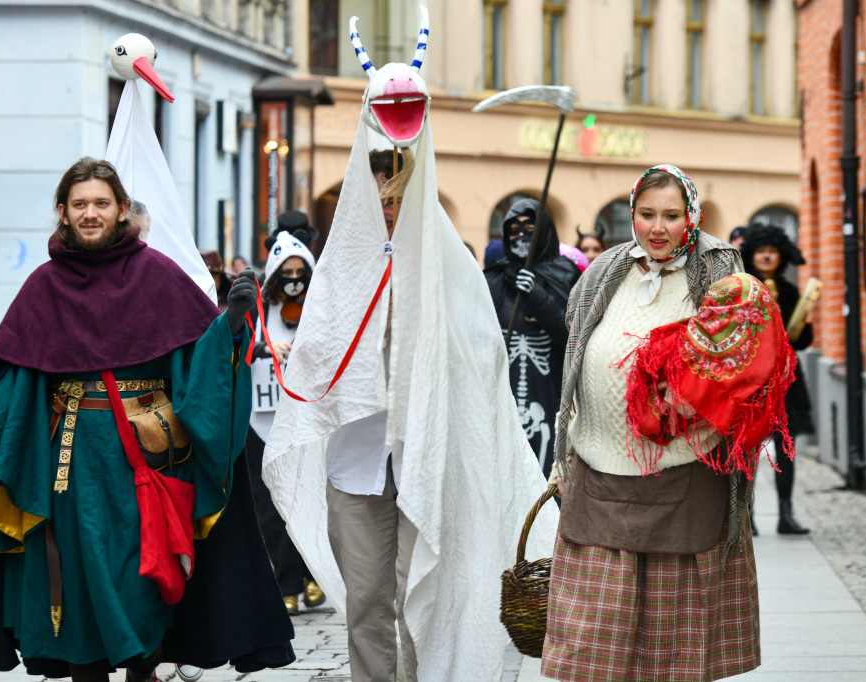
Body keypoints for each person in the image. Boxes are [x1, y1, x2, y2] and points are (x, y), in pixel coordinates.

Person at [262, 14, 556, 679]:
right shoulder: (339, 273)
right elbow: (313, 362)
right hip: (359, 464)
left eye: (401, 197)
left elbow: (479, 367)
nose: (390, 210)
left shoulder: (451, 272)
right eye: (380, 199)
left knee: (428, 593)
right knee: (368, 602)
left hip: (432, 460)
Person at [0, 157, 294, 681]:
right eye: (80, 204)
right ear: (62, 213)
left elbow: (199, 368)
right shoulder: (43, 287)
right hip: (68, 473)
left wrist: (231, 327)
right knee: (80, 588)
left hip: (147, 468)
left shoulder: (158, 276)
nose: (91, 213)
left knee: (142, 585)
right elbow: (13, 385)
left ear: (121, 212)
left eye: (102, 204)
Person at [543, 164, 775, 681]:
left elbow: (740, 358)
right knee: (593, 645)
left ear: (691, 216)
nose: (658, 227)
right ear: (632, 214)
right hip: (600, 473)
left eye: (672, 215)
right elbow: (576, 344)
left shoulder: (717, 273)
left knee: (673, 651)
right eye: (646, 214)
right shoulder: (605, 269)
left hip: (683, 476)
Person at [245, 228, 326, 615]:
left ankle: (310, 575)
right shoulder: (256, 309)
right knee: (270, 508)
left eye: (301, 274)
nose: (294, 282)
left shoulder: (319, 308)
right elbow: (233, 345)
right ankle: (287, 580)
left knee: (306, 500)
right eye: (287, 274)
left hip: (304, 420)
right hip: (260, 423)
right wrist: (263, 347)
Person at [484, 198, 581, 476]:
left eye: (529, 227)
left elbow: (574, 337)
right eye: (513, 229)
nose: (521, 235)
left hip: (550, 390)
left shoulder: (564, 275)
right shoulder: (494, 279)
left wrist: (539, 297)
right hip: (502, 391)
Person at [740, 224, 814, 534]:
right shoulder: (742, 290)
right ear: (751, 255)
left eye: (772, 250)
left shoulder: (793, 291)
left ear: (780, 254)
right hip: (754, 380)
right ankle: (747, 517)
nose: (767, 255)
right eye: (760, 250)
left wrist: (803, 324)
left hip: (787, 380)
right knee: (749, 451)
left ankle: (786, 514)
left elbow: (803, 341)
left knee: (786, 448)